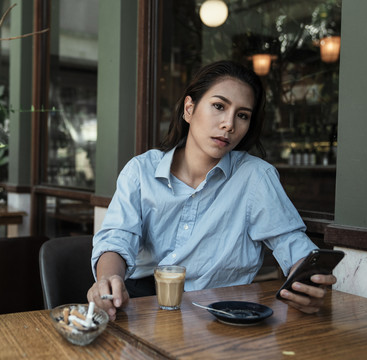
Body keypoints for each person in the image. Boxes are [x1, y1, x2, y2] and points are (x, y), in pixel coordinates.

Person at [87, 60, 337, 320]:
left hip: (220, 315)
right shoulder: (140, 171)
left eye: (242, 115)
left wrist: (308, 284)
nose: (229, 124)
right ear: (189, 109)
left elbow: (293, 247)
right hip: (141, 307)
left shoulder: (255, 177)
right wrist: (108, 280)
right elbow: (116, 239)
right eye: (219, 106)